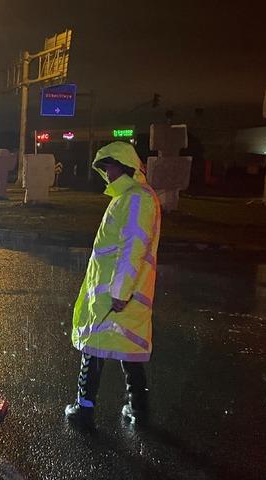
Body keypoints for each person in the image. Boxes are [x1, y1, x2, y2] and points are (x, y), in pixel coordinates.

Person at [64, 141, 161, 428]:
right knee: (126, 349)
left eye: (110, 167)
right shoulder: (132, 197)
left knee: (93, 346)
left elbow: (132, 247)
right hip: (123, 291)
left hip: (115, 292)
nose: (107, 174)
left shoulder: (135, 198)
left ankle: (83, 410)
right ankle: (138, 408)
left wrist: (120, 291)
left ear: (126, 167)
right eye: (104, 168)